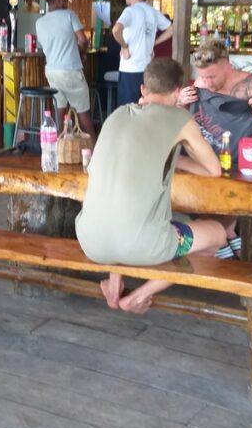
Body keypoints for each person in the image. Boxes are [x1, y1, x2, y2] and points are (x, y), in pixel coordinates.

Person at [76, 59, 230, 314]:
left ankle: (115, 287)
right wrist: (177, 153)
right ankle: (138, 296)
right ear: (178, 92)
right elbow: (213, 170)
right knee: (217, 234)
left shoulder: (116, 115)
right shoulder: (179, 118)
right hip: (140, 244)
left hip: (89, 239)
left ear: (143, 90)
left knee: (123, 213)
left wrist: (169, 155)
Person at [35, 0, 94, 139]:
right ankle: (94, 149)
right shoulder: (69, 15)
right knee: (82, 110)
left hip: (52, 72)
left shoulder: (39, 22)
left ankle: (59, 145)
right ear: (56, 1)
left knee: (60, 109)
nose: (65, 3)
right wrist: (82, 52)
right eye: (63, 0)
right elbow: (83, 40)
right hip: (71, 70)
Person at [112, 0, 173, 106]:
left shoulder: (130, 11)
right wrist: (153, 44)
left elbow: (116, 29)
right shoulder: (152, 11)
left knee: (128, 111)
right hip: (146, 69)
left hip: (130, 68)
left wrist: (124, 46)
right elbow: (172, 29)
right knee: (144, 107)